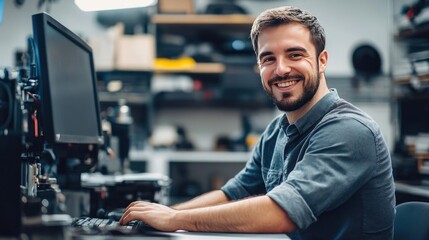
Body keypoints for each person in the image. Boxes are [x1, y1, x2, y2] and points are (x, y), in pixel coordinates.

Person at [120, 6, 395, 239]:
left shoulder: (349, 130)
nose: (281, 69)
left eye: (295, 54)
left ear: (322, 61)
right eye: (268, 59)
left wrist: (175, 221)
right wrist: (170, 213)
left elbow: (283, 211)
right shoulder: (277, 131)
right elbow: (234, 193)